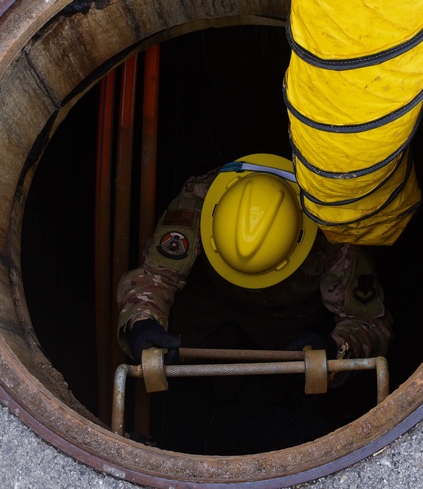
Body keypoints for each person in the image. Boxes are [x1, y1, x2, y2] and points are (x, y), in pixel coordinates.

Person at [116, 153, 393, 366]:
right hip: (209, 300)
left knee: (285, 383)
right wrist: (142, 322)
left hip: (287, 319)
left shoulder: (333, 233)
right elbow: (158, 274)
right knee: (180, 362)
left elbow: (369, 322)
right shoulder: (200, 199)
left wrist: (334, 347)